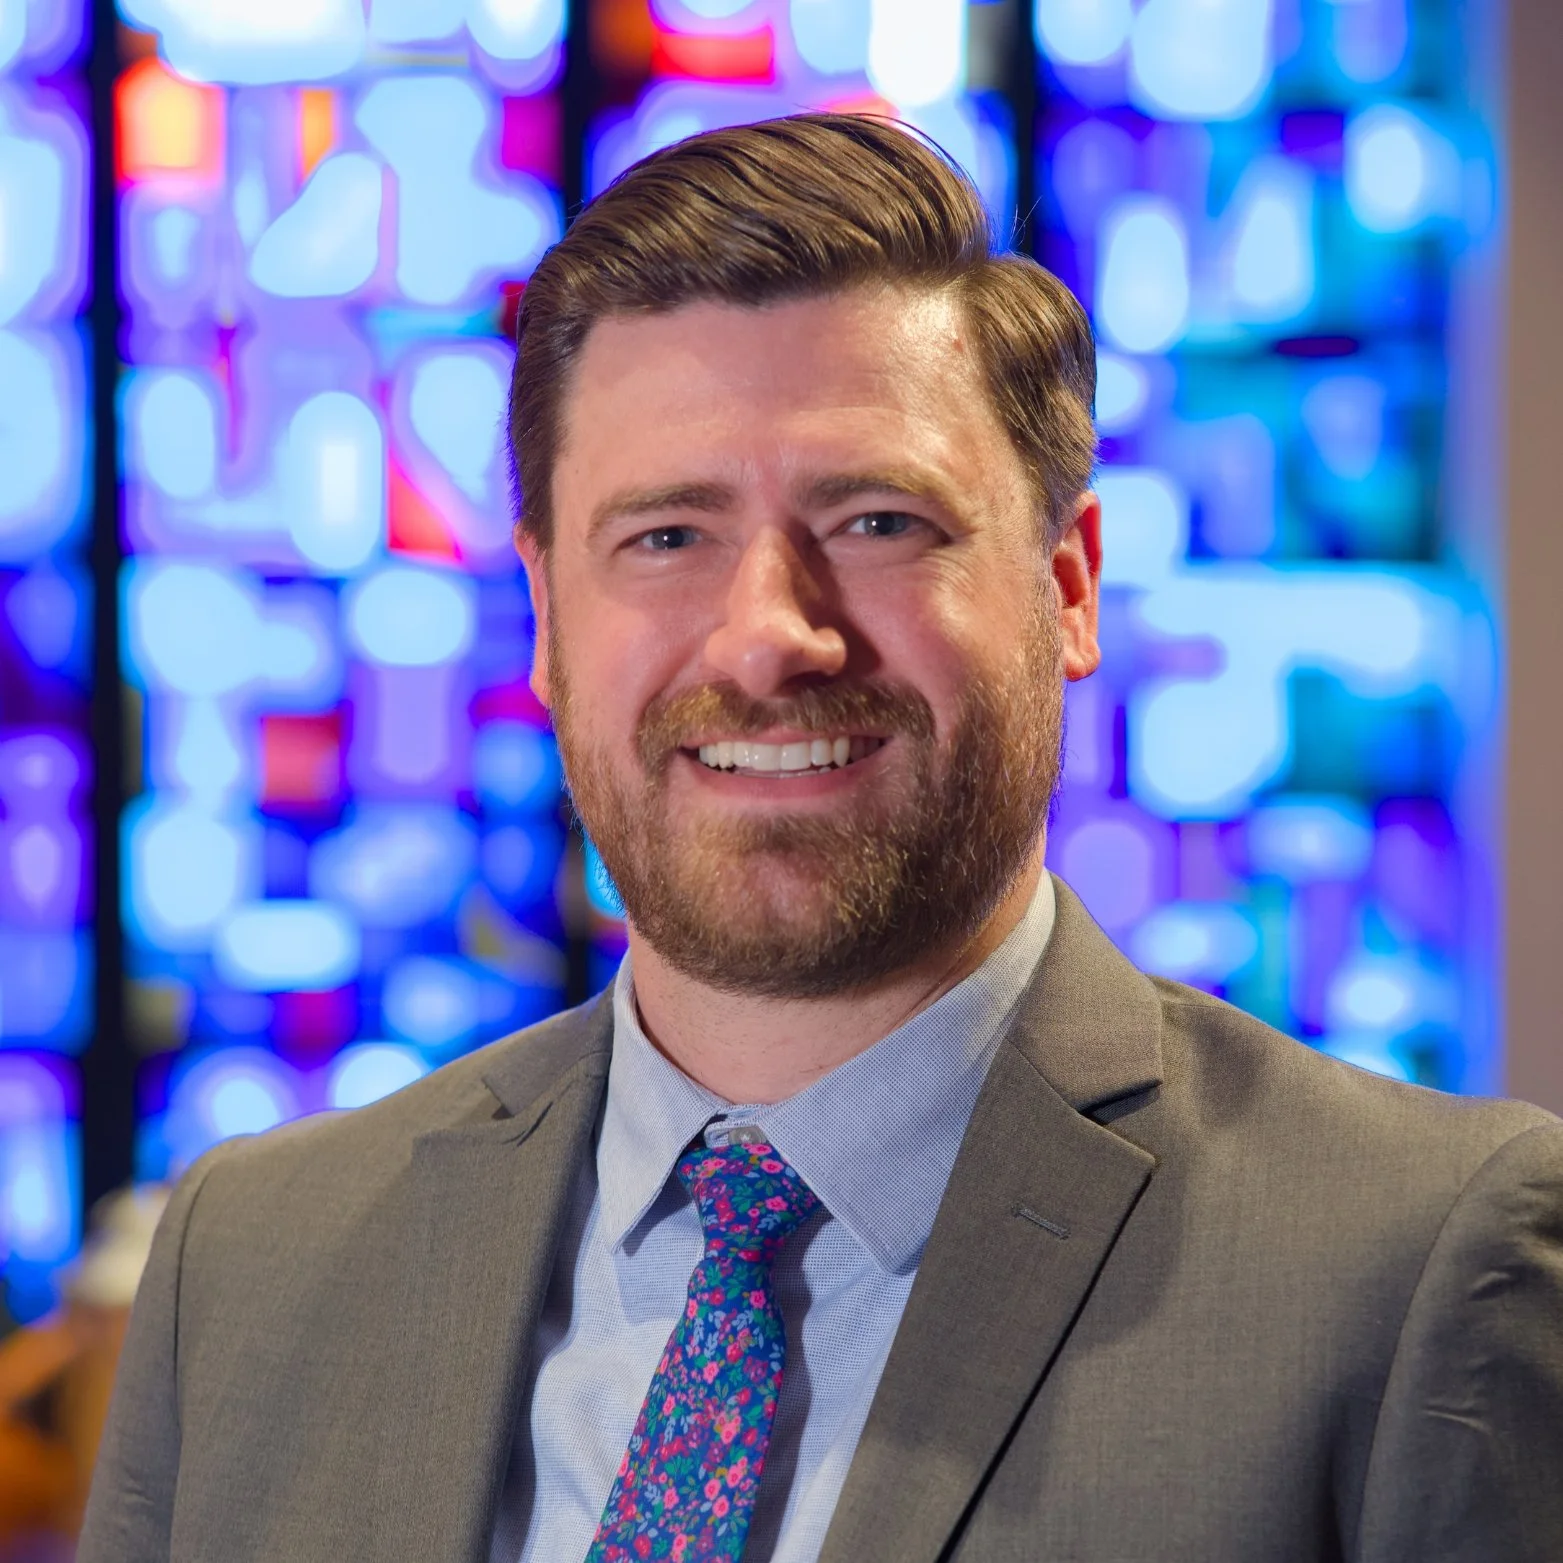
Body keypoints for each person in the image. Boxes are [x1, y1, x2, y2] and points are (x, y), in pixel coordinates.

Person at [80, 115, 1563, 1563]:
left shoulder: (1415, 1266)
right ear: (543, 616)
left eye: (877, 523)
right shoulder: (249, 1269)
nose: (769, 636)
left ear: (1067, 584)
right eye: (667, 536)